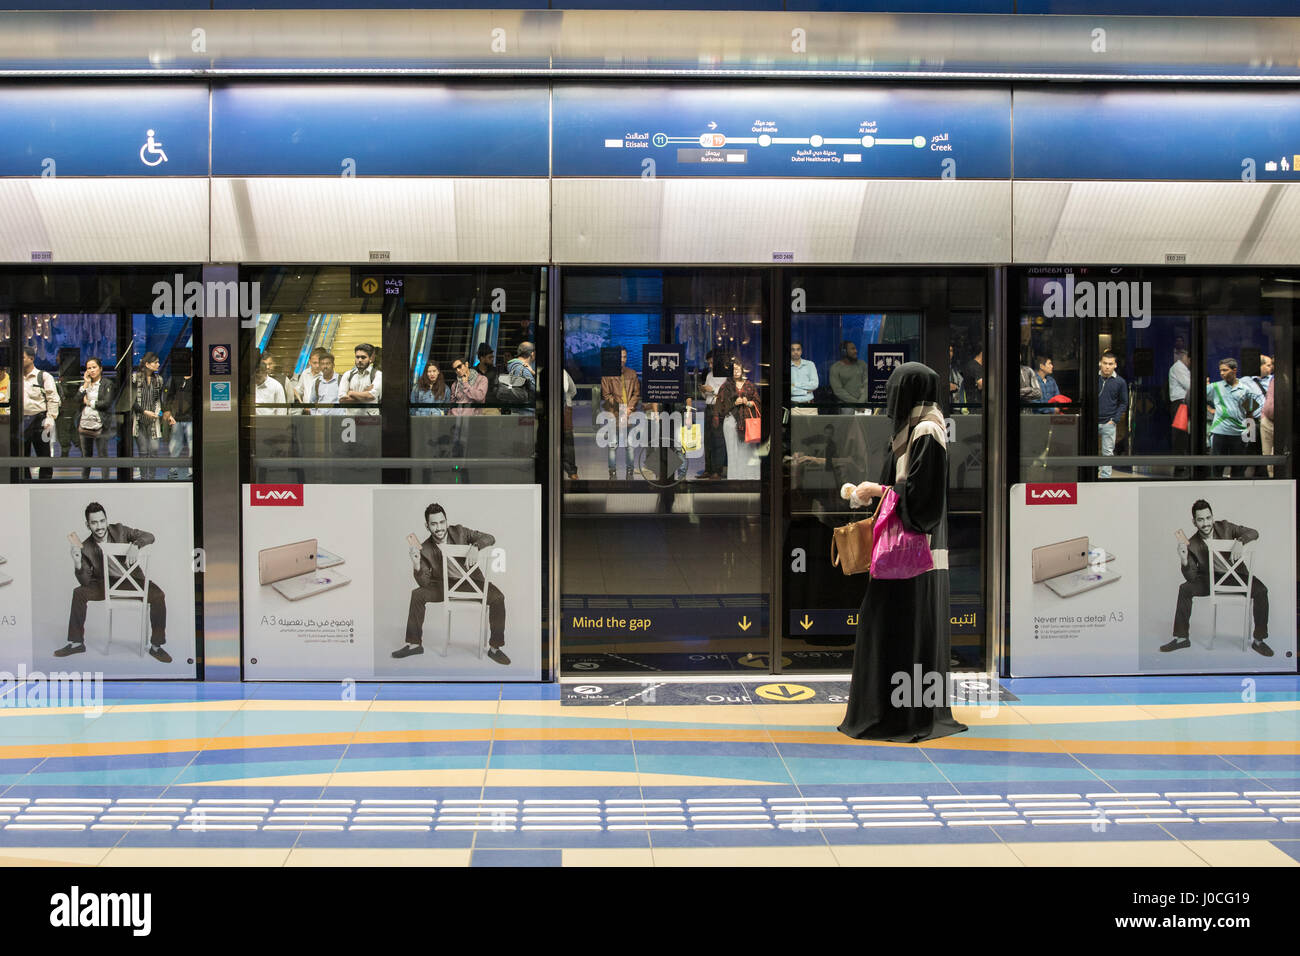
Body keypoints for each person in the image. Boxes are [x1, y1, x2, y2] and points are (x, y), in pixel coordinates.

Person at [837, 362, 966, 743]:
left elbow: (922, 501)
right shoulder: (914, 429)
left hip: (913, 557)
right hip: (906, 553)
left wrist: (875, 492)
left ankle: (896, 715)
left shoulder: (926, 430)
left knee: (892, 624)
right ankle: (892, 710)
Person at [394, 503, 509, 666]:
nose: (439, 528)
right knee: (417, 594)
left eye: (442, 522)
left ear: (446, 521)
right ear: (427, 526)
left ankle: (495, 648)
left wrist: (475, 547)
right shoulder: (425, 548)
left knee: (498, 598)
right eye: (434, 524)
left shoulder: (460, 532)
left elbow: (490, 538)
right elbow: (424, 583)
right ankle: (414, 644)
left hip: (471, 583)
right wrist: (417, 565)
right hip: (443, 586)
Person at [56, 501, 170, 663]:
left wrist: (135, 545)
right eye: (94, 523)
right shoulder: (86, 547)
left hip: (133, 580)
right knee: (79, 593)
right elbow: (85, 581)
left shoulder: (120, 530)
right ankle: (76, 643)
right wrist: (77, 563)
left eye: (102, 521)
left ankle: (156, 646)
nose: (99, 526)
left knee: (158, 595)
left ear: (107, 520)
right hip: (105, 584)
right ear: (87, 525)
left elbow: (150, 536)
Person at [1163, 499, 1271, 657]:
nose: (1205, 523)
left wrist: (1240, 541)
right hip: (1210, 579)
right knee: (1184, 589)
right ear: (1194, 522)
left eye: (1208, 518)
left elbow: (1254, 532)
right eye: (1200, 520)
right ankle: (1182, 638)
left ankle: (1259, 641)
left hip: (1237, 576)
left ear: (1212, 517)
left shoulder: (1226, 527)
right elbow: (1191, 577)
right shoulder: (1192, 543)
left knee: (1261, 590)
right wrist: (1184, 559)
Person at [1205, 357, 1260, 478]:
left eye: (1225, 370)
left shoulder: (1245, 390)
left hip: (1238, 434)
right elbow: (1195, 396)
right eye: (1220, 370)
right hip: (1220, 432)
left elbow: (1249, 413)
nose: (1222, 373)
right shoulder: (1215, 387)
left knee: (1238, 470)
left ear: (1234, 370)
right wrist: (1209, 409)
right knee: (1216, 469)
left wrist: (1250, 437)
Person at [714, 356, 761, 480]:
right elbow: (720, 405)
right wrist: (734, 403)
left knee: (749, 452)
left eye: (737, 368)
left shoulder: (750, 385)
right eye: (733, 369)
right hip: (730, 421)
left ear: (742, 369)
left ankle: (751, 478)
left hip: (747, 423)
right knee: (733, 452)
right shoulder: (725, 386)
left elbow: (758, 403)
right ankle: (735, 479)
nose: (735, 371)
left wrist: (749, 403)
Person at [20, 346, 60, 480]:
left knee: (44, 455)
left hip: (40, 420)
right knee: (21, 456)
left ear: (31, 358)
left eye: (23, 357)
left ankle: (45, 483)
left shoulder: (43, 376)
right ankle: (24, 482)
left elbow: (53, 398)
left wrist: (50, 418)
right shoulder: (16, 377)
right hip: (21, 420)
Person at [600, 346, 640, 480]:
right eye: (620, 357)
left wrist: (629, 408)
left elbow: (636, 393)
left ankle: (630, 472)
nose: (622, 360)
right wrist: (621, 407)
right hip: (613, 413)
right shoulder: (607, 374)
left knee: (630, 445)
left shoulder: (632, 373)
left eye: (624, 357)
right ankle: (612, 473)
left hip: (629, 413)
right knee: (612, 445)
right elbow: (606, 395)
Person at [76, 357, 115, 480]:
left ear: (100, 368)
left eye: (94, 367)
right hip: (84, 423)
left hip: (101, 424)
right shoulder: (86, 384)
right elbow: (76, 400)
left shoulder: (107, 383)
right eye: (89, 368)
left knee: (103, 455)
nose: (91, 370)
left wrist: (90, 403)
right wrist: (85, 384)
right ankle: (84, 481)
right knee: (85, 456)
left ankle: (105, 481)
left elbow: (107, 403)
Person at [132, 352, 165, 479]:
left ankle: (152, 477)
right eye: (155, 362)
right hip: (139, 419)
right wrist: (144, 411)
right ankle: (143, 477)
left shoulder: (159, 379)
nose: (158, 364)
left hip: (153, 420)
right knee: (143, 451)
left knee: (154, 450)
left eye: (158, 362)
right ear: (147, 364)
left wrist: (158, 412)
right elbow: (131, 401)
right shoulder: (135, 378)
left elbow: (159, 399)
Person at [1097, 349, 1127, 479]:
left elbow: (1123, 403)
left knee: (1107, 452)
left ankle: (1105, 478)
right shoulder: (1094, 379)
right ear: (1100, 363)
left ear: (1115, 365)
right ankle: (1091, 475)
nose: (1107, 366)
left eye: (1110, 364)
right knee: (1089, 452)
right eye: (1105, 363)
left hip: (1109, 422)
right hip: (1093, 420)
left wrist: (1114, 420)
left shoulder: (1120, 382)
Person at [699, 350, 729, 479]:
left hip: (719, 408)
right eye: (709, 363)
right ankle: (708, 469)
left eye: (712, 363)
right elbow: (705, 395)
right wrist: (703, 390)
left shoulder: (726, 375)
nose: (710, 365)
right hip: (709, 406)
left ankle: (717, 470)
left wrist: (713, 390)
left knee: (718, 440)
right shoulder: (709, 375)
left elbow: (728, 394)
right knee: (708, 439)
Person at [164, 362, 194, 479]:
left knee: (192, 445)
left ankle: (192, 471)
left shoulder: (197, 378)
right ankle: (173, 470)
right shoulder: (176, 378)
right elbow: (169, 395)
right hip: (177, 416)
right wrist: (167, 410)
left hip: (191, 417)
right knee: (175, 445)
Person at [339, 343, 382, 414]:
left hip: (371, 420)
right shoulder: (348, 374)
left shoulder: (377, 375)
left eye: (363, 357)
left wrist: (351, 393)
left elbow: (371, 396)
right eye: (357, 357)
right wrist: (364, 395)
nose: (359, 360)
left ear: (370, 358)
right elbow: (342, 400)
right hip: (351, 420)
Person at [829, 341, 869, 411]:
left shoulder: (862, 364)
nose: (856, 351)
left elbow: (867, 385)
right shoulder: (835, 368)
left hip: (864, 404)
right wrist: (857, 404)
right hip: (847, 405)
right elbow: (838, 391)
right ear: (844, 352)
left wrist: (861, 403)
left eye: (855, 348)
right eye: (852, 349)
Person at [1168, 348, 1192, 454]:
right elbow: (1189, 385)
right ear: (1186, 357)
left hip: (1183, 403)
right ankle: (1180, 462)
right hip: (1180, 404)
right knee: (1180, 433)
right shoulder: (1179, 368)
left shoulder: (1183, 368)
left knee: (1183, 433)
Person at [294, 347, 327, 413]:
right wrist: (302, 404)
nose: (317, 365)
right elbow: (298, 390)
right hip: (306, 412)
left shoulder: (326, 375)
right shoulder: (305, 373)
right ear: (309, 362)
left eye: (319, 363)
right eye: (314, 363)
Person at [789, 342, 819, 414]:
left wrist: (795, 385)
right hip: (794, 407)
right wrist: (806, 391)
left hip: (810, 406)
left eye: (798, 349)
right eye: (793, 350)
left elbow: (815, 384)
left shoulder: (810, 364)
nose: (795, 352)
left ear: (801, 351)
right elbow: (789, 390)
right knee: (795, 426)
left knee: (813, 425)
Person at [561, 367, 578, 479]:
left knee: (567, 439)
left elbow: (569, 389)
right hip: (566, 406)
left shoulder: (542, 371)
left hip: (564, 408)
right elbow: (573, 391)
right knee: (567, 440)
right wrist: (568, 398)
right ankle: (572, 472)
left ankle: (571, 471)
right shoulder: (563, 371)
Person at [1260, 359, 1276, 477]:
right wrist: (1263, 416)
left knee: (1276, 457)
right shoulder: (1273, 379)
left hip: (1280, 423)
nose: (1272, 367)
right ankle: (1272, 480)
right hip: (1266, 421)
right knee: (1267, 456)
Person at [473, 343, 498, 412]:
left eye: (493, 357)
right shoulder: (473, 372)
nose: (492, 359)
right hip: (475, 407)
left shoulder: (496, 371)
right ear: (482, 358)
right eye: (490, 357)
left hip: (491, 407)